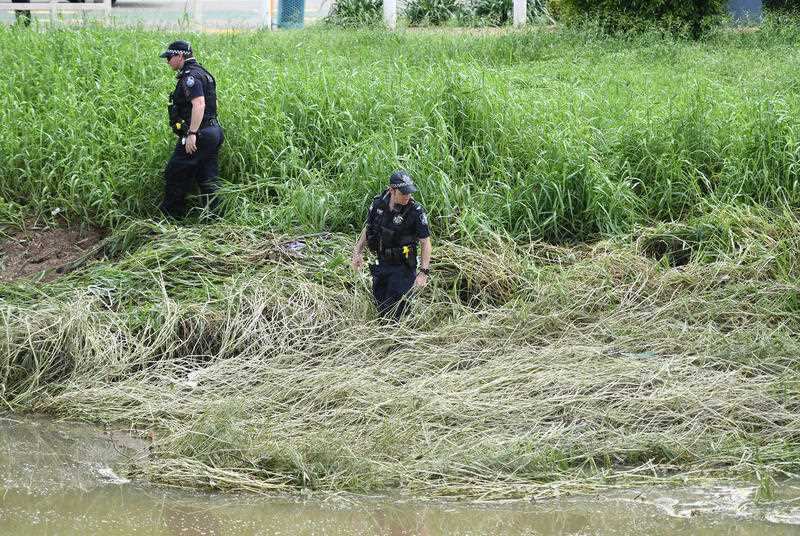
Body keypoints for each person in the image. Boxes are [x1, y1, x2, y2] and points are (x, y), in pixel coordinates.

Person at [351, 170, 432, 320]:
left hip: (403, 267)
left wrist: (423, 273)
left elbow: (425, 242)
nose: (407, 196)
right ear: (392, 190)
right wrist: (357, 252)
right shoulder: (378, 204)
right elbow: (369, 229)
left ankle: (398, 341)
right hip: (382, 263)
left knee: (397, 313)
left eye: (409, 192)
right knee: (380, 306)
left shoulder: (415, 211)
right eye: (403, 193)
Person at [159, 40, 224, 219]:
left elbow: (199, 104)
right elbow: (214, 103)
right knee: (207, 177)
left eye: (170, 57)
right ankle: (214, 219)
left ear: (180, 56)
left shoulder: (190, 77)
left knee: (175, 172)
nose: (168, 61)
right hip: (214, 131)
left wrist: (192, 133)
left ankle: (169, 220)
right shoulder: (204, 73)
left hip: (200, 134)